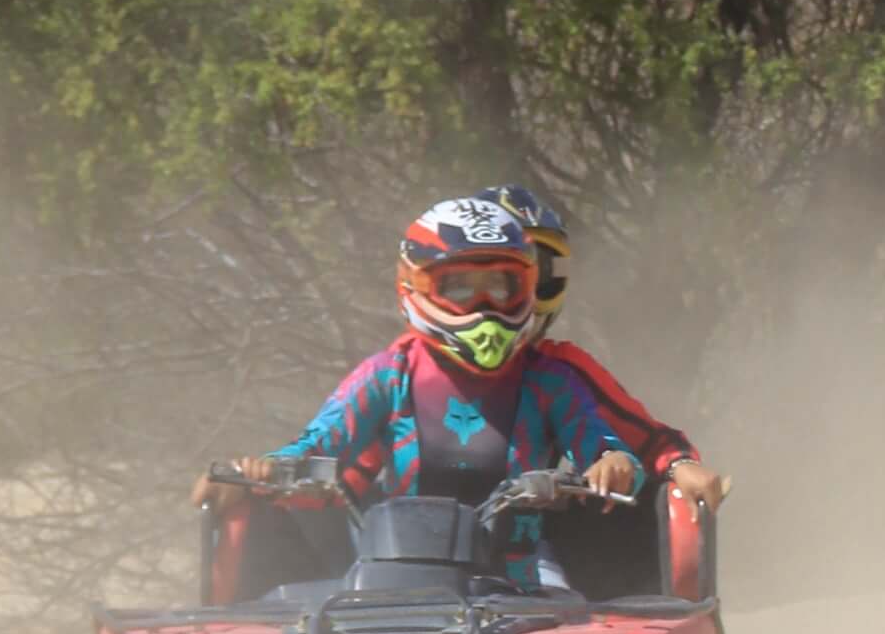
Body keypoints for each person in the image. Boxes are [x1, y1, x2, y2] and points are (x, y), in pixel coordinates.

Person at [199, 195, 639, 593]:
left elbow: (603, 447)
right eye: (461, 287)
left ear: (526, 287)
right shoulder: (388, 376)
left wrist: (613, 464)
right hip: (393, 573)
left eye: (501, 286)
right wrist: (257, 473)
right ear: (415, 287)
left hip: (521, 574)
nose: (484, 306)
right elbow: (317, 444)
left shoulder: (552, 381)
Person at [471, 182, 731, 512]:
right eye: (492, 277)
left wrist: (676, 464)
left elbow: (642, 439)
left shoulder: (557, 373)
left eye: (532, 274)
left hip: (520, 549)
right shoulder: (399, 370)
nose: (509, 293)